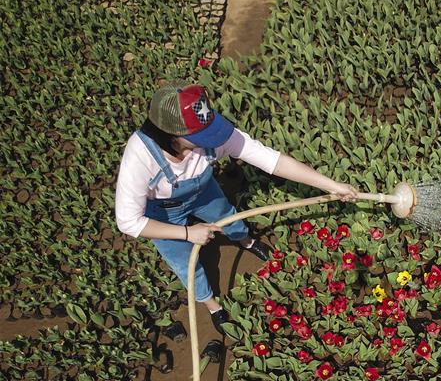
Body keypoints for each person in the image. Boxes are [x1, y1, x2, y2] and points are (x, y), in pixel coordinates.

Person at [115, 80, 357, 333]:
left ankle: (245, 241)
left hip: (203, 189)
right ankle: (211, 305)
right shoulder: (141, 156)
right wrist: (187, 233)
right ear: (171, 135)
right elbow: (129, 222)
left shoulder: (212, 132)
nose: (213, 139)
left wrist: (330, 184)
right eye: (200, 136)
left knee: (226, 215)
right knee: (183, 260)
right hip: (163, 211)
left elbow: (270, 159)